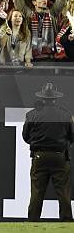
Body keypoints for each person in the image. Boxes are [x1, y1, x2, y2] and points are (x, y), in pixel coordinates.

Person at [23, 83, 74, 222]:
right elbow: (72, 136)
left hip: (39, 156)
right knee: (63, 191)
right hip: (60, 156)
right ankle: (67, 220)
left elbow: (25, 137)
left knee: (37, 191)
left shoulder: (32, 114)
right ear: (56, 99)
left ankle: (33, 220)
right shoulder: (66, 114)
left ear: (42, 98)